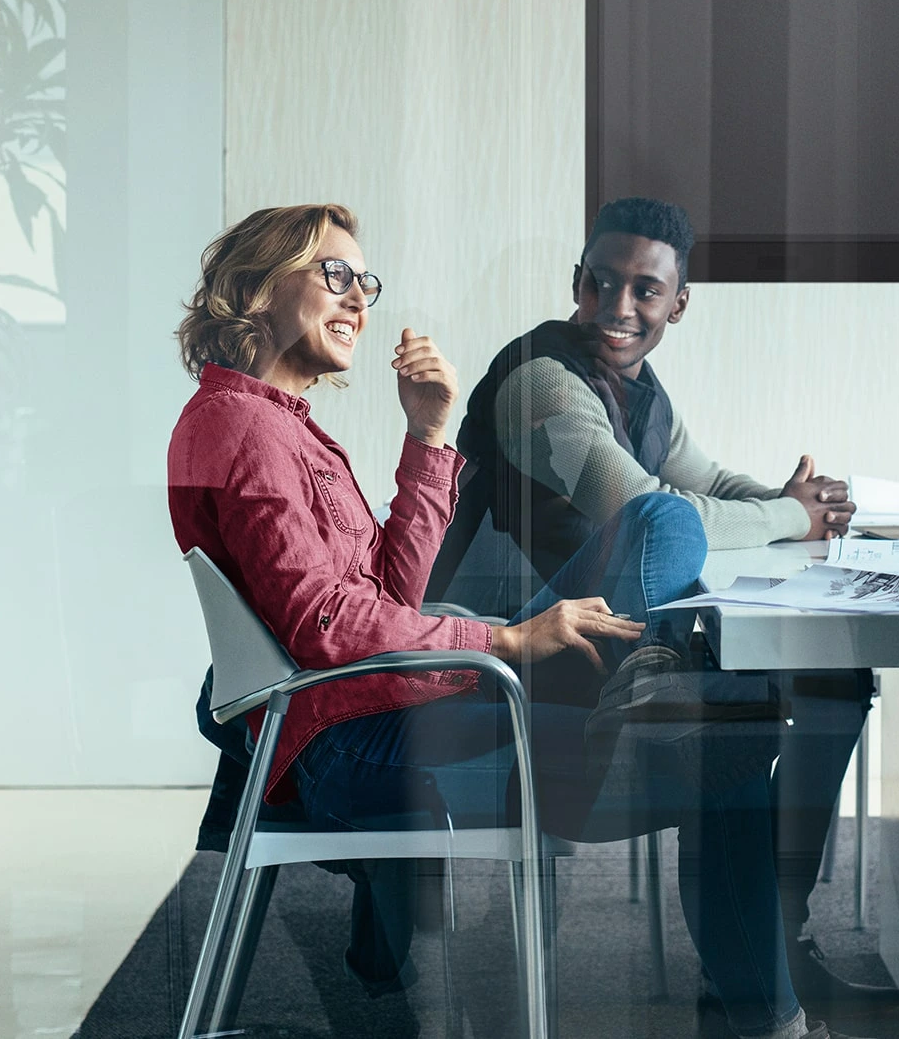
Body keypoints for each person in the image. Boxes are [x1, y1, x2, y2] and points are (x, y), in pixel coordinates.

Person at [166, 202, 862, 1039]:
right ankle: (764, 1011)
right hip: (361, 738)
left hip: (385, 702)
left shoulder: (275, 426)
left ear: (678, 301)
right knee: (700, 661)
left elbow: (387, 591)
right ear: (254, 286)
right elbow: (330, 623)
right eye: (334, 274)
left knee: (709, 693)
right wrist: (503, 641)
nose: (357, 300)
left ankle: (651, 703)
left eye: (364, 281)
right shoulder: (245, 428)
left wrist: (425, 432)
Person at [426, 197, 899, 1028]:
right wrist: (792, 517)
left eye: (645, 290)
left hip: (595, 649)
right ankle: (763, 987)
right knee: (678, 584)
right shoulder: (541, 381)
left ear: (678, 303)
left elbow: (710, 481)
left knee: (825, 678)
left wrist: (800, 501)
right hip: (496, 660)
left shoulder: (643, 392)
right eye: (601, 283)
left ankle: (775, 956)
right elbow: (647, 508)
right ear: (575, 283)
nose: (618, 307)